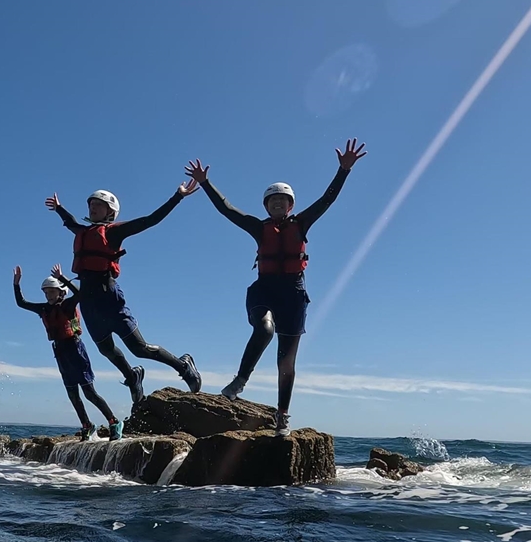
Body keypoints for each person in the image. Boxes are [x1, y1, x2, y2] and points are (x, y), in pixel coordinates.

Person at [184, 139, 367, 436]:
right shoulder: (259, 228)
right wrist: (205, 183)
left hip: (293, 293)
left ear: (291, 205)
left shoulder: (302, 223)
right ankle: (240, 381)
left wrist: (343, 171)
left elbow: (327, 199)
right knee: (264, 329)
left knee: (286, 361)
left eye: (283, 200)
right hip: (264, 289)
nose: (278, 204)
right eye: (273, 201)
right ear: (266, 207)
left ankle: (282, 415)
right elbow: (227, 209)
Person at [45, 182, 202, 404]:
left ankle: (183, 366)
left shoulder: (114, 232)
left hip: (109, 298)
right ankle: (133, 377)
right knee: (107, 350)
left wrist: (178, 196)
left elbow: (150, 220)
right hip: (88, 303)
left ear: (110, 211)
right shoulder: (83, 231)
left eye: (98, 205)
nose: (92, 208)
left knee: (139, 348)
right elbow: (70, 222)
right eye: (91, 204)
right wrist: (59, 208)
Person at [13, 263, 124, 441]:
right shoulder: (43, 309)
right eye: (46, 292)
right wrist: (16, 284)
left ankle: (114, 422)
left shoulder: (68, 305)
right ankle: (87, 425)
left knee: (89, 392)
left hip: (75, 349)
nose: (48, 295)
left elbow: (80, 294)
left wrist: (63, 278)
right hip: (60, 352)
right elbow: (21, 303)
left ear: (60, 292)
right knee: (73, 394)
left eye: (51, 291)